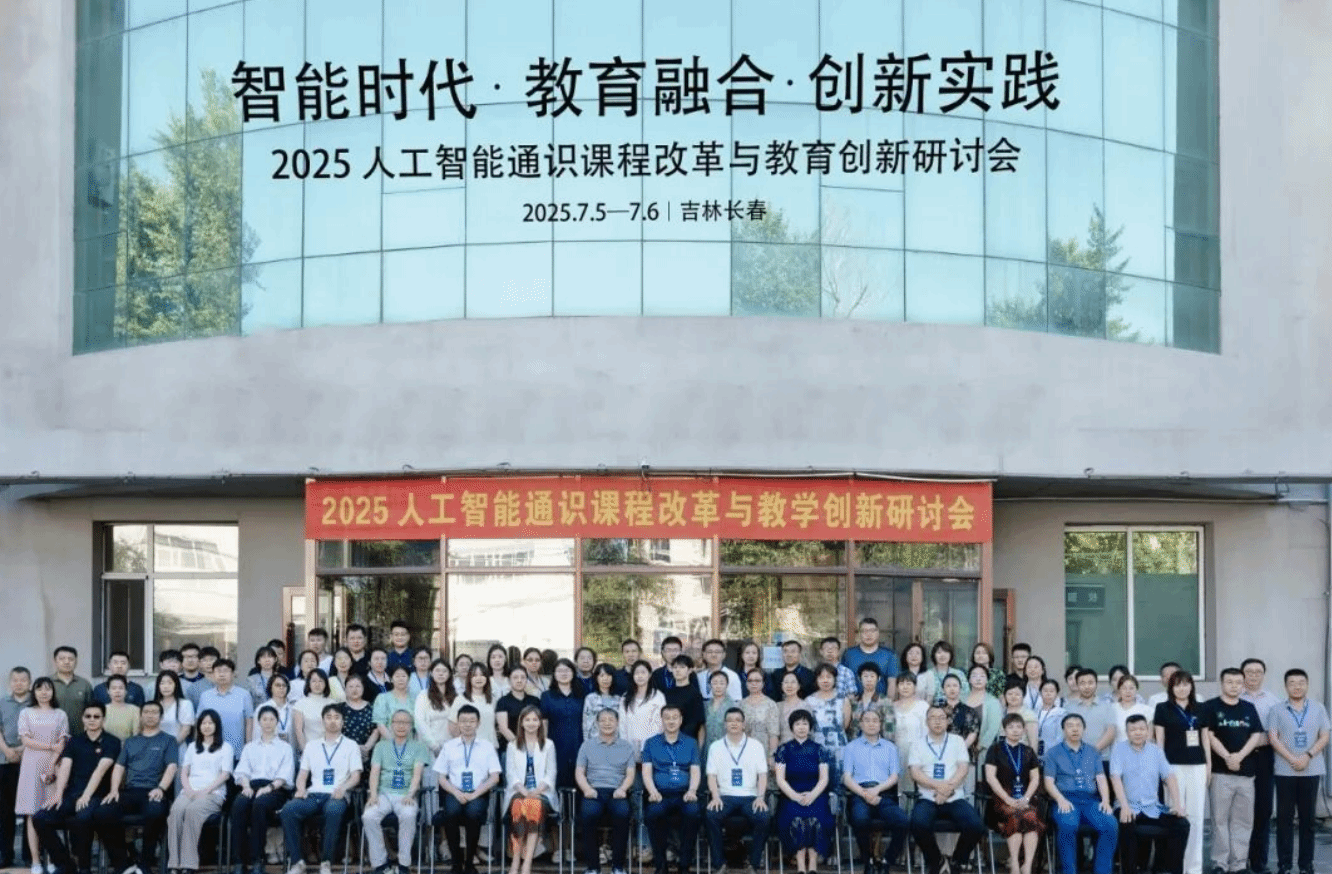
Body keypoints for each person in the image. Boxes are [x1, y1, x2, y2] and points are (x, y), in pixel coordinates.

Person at [92, 700, 180, 874]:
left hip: (154, 791)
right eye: (146, 712)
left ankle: (145, 864)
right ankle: (123, 863)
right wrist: (114, 790)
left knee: (155, 813)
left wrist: (161, 789)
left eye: (154, 712)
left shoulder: (169, 740)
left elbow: (172, 767)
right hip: (130, 791)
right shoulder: (131, 741)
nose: (150, 715)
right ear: (141, 716)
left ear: (161, 717)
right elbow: (119, 767)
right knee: (102, 813)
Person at [32, 701, 119, 874]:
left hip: (97, 796)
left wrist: (86, 795)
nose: (92, 719)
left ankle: (84, 868)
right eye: (88, 716)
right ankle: (65, 864)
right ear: (82, 719)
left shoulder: (112, 742)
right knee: (40, 818)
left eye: (96, 716)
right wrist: (58, 794)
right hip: (72, 794)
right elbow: (65, 767)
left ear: (103, 719)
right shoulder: (74, 741)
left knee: (82, 818)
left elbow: (100, 770)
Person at [280, 704, 362, 874]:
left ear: (343, 722)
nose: (333, 721)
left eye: (337, 718)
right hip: (313, 795)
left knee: (333, 810)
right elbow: (302, 774)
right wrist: (300, 789)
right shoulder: (312, 746)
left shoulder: (351, 745)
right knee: (288, 810)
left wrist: (344, 788)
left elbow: (356, 776)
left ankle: (326, 862)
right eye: (329, 717)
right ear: (322, 721)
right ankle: (297, 862)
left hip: (336, 795)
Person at [908, 704, 986, 874]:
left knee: (976, 825)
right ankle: (936, 861)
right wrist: (939, 787)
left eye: (941, 718)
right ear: (926, 722)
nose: (937, 721)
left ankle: (957, 861)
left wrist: (948, 789)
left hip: (954, 796)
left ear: (948, 721)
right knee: (918, 824)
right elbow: (915, 772)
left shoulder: (957, 741)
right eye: (933, 718)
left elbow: (963, 769)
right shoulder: (918, 744)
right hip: (928, 797)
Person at [1203, 667, 1265, 874]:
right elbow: (1209, 735)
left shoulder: (1248, 707)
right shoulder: (1210, 706)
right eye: (1229, 682)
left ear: (1243, 685)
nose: (1234, 686)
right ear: (1222, 683)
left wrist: (1239, 756)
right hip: (1221, 773)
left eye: (1238, 682)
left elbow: (1256, 735)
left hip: (1246, 773)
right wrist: (1227, 757)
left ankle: (1238, 864)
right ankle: (1220, 863)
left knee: (1243, 821)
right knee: (1219, 820)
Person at [1110, 714, 1188, 874]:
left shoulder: (1156, 751)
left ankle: (1166, 869)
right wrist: (1124, 806)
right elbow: (1115, 777)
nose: (1138, 732)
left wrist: (1177, 805)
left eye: (1141, 729)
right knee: (1126, 824)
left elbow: (1169, 777)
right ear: (1127, 732)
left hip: (1152, 807)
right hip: (1128, 806)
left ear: (1147, 730)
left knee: (1182, 824)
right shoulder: (1119, 749)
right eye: (1133, 729)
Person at [1267, 668, 1328, 874]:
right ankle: (1284, 865)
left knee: (1308, 820)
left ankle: (1306, 865)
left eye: (1301, 682)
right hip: (1285, 771)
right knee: (1284, 820)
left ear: (1307, 685)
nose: (1297, 686)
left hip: (1311, 770)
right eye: (1292, 683)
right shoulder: (1276, 710)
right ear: (1286, 686)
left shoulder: (1318, 708)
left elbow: (1325, 736)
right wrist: (1293, 759)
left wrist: (1307, 756)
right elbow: (1273, 738)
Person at [1042, 713, 1118, 874]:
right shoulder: (1053, 753)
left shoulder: (1093, 752)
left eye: (1078, 725)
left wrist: (1105, 800)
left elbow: (1101, 778)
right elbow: (1048, 782)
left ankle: (1103, 871)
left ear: (1084, 729)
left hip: (1091, 800)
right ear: (1063, 730)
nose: (1075, 729)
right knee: (1068, 825)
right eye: (1070, 726)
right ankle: (1069, 871)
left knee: (1110, 824)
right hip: (1066, 799)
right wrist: (1060, 799)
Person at [1153, 669, 1210, 874]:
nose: (1182, 688)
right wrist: (1162, 770)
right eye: (1177, 685)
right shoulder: (1162, 708)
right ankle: (1175, 866)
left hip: (1197, 766)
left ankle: (1193, 868)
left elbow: (1205, 739)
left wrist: (1209, 767)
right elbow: (1159, 742)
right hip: (1172, 767)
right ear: (1171, 688)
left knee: (1196, 816)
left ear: (1192, 686)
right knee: (1176, 815)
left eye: (1186, 684)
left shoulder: (1201, 708)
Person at [434, 704, 502, 874]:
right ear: (457, 723)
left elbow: (495, 777)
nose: (467, 724)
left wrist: (474, 794)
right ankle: (456, 862)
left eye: (472, 721)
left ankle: (470, 862)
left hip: (478, 792)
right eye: (463, 720)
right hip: (454, 792)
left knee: (473, 813)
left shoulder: (487, 746)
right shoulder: (449, 746)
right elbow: (441, 777)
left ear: (478, 723)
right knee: (451, 813)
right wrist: (456, 792)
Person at [165, 709, 235, 874]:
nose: (207, 726)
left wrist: (206, 790)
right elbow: (184, 771)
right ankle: (174, 863)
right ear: (199, 726)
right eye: (203, 723)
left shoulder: (225, 747)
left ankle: (188, 864)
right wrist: (188, 789)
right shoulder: (192, 747)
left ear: (217, 726)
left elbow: (225, 774)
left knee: (192, 811)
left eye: (211, 723)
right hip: (189, 791)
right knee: (176, 811)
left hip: (213, 793)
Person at [363, 710, 431, 874]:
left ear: (411, 726)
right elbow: (374, 772)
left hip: (406, 794)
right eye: (397, 722)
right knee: (368, 816)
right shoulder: (381, 746)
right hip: (383, 794)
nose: (401, 726)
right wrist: (373, 795)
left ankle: (403, 864)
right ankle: (380, 863)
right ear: (391, 725)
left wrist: (410, 794)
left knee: (408, 815)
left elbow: (417, 774)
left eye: (405, 722)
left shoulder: (419, 747)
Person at [704, 708, 770, 874]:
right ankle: (719, 864)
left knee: (763, 817)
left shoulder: (755, 746)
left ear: (744, 724)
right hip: (725, 796)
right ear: (725, 724)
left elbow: (762, 775)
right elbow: (711, 775)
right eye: (730, 720)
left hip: (750, 796)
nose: (734, 723)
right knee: (711, 815)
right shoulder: (716, 747)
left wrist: (760, 797)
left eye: (738, 720)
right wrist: (715, 796)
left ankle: (753, 864)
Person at [843, 708, 908, 874]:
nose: (871, 724)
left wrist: (876, 790)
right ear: (860, 724)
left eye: (875, 720)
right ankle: (868, 861)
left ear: (880, 724)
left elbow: (894, 776)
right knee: (859, 819)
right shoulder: (851, 747)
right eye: (867, 720)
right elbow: (847, 778)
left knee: (903, 821)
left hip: (883, 793)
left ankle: (887, 860)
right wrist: (865, 793)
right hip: (859, 793)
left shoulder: (890, 748)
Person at [230, 705, 295, 874]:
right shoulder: (250, 747)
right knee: (239, 805)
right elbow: (242, 771)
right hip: (251, 785)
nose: (268, 723)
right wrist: (246, 786)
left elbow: (285, 776)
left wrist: (268, 788)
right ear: (259, 722)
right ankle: (238, 862)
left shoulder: (285, 747)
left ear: (277, 722)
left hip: (275, 789)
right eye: (264, 719)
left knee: (260, 804)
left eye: (272, 719)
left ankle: (257, 860)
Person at [17, 676, 71, 868]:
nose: (44, 692)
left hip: (53, 765)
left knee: (50, 812)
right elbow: (26, 741)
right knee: (32, 813)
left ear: (53, 692)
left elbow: (62, 742)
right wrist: (50, 746)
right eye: (39, 689)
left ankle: (53, 859)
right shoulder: (26, 713)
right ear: (34, 692)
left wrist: (52, 763)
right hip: (31, 765)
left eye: (48, 689)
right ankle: (35, 861)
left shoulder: (60, 714)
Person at [641, 705, 701, 874]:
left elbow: (695, 770)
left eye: (675, 717)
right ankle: (661, 865)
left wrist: (692, 790)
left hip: (684, 794)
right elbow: (646, 771)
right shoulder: (651, 743)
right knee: (653, 814)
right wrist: (652, 791)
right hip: (660, 794)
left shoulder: (691, 742)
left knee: (693, 813)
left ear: (681, 720)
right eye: (667, 717)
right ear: (662, 720)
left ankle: (684, 865)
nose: (671, 721)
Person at [575, 708, 636, 874]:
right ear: (597, 723)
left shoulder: (626, 746)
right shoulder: (587, 745)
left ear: (617, 723)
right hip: (593, 791)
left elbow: (630, 774)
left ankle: (618, 866)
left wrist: (623, 789)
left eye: (611, 720)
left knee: (622, 814)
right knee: (588, 814)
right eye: (603, 720)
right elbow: (579, 772)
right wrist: (587, 789)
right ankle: (593, 867)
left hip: (617, 791)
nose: (607, 723)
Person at [774, 709, 834, 874]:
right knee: (797, 820)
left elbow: (824, 778)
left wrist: (812, 795)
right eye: (798, 724)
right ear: (791, 727)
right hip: (791, 795)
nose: (801, 727)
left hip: (816, 794)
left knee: (816, 819)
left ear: (810, 727)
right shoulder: (784, 749)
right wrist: (795, 796)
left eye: (805, 724)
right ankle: (801, 864)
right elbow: (780, 779)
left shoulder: (819, 749)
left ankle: (813, 864)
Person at [983, 714, 1045, 874]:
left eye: (1019, 727)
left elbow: (1035, 778)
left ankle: (1027, 865)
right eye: (1011, 727)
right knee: (1015, 816)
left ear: (1024, 730)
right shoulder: (995, 749)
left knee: (1030, 816)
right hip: (1001, 800)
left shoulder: (1028, 751)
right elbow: (990, 777)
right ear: (1004, 730)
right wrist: (1007, 799)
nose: (1015, 730)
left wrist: (1026, 798)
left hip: (1025, 799)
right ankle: (1015, 864)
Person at [504, 705, 558, 874]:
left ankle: (526, 863)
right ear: (521, 723)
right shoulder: (512, 745)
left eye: (535, 719)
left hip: (542, 793)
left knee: (532, 804)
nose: (531, 723)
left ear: (540, 723)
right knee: (519, 805)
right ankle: (515, 861)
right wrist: (524, 791)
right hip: (519, 792)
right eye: (527, 720)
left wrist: (536, 791)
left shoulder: (548, 745)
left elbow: (551, 773)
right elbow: (511, 773)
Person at [1240, 658, 1280, 874]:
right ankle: (1238, 860)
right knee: (1239, 810)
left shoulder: (1273, 701)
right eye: (1249, 671)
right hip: (1239, 758)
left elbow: (1278, 732)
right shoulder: (1234, 697)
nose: (1253, 675)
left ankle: (1258, 861)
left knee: (1263, 809)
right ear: (1242, 674)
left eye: (1258, 672)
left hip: (1264, 757)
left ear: (1263, 675)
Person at [0, 667, 34, 870]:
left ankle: (30, 855)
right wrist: (6, 750)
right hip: (4, 762)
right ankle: (5, 855)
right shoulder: (2, 702)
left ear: (29, 682)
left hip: (30, 761)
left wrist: (21, 750)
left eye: (23, 680)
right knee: (5, 812)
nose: (19, 683)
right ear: (10, 682)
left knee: (30, 810)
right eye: (15, 680)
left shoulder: (35, 703)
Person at [197, 659, 254, 761]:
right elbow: (199, 723)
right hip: (210, 752)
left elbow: (249, 723)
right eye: (218, 671)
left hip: (237, 752)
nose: (222, 674)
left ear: (233, 674)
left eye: (226, 671)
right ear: (213, 675)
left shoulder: (244, 695)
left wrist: (249, 747)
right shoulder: (205, 696)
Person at [804, 663, 851, 784]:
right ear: (816, 680)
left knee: (839, 784)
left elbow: (845, 725)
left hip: (839, 748)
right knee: (817, 783)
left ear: (835, 679)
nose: (825, 680)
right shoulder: (809, 701)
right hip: (816, 747)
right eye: (821, 677)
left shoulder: (843, 699)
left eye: (829, 677)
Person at [1065, 669, 1117, 774]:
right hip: (1075, 760)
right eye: (1082, 683)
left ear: (1096, 684)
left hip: (1101, 760)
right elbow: (1065, 732)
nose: (1087, 686)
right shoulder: (1069, 707)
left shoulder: (1107, 707)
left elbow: (1110, 732)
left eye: (1090, 683)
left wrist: (1090, 752)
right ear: (1077, 685)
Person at [618, 660, 664, 758]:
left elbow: (661, 723)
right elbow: (622, 724)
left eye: (643, 672)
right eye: (637, 673)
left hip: (652, 747)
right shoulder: (626, 697)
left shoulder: (657, 696)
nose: (640, 676)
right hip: (630, 747)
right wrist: (625, 746)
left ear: (650, 675)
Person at [842, 619, 901, 698]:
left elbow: (892, 682)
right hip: (853, 701)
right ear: (859, 634)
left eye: (872, 631)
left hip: (881, 701)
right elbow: (843, 680)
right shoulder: (849, 654)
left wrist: (887, 703)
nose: (869, 634)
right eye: (865, 631)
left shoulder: (889, 655)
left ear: (878, 633)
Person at [891, 672, 928, 793]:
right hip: (896, 753)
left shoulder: (923, 706)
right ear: (897, 687)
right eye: (901, 683)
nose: (905, 687)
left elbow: (927, 734)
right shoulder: (891, 707)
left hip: (917, 754)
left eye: (909, 683)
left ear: (915, 687)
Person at [414, 659, 457, 759]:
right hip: (431, 748)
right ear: (431, 673)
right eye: (437, 670)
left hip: (452, 746)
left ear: (449, 674)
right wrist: (435, 747)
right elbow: (420, 722)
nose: (441, 674)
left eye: (444, 671)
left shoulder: (455, 696)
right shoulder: (424, 695)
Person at [662, 656, 706, 748]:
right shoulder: (667, 693)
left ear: (690, 670)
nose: (677, 670)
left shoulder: (695, 694)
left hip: (688, 743)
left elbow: (700, 724)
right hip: (667, 741)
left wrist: (699, 748)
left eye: (682, 667)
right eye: (675, 667)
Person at [450, 665, 498, 747]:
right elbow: (452, 726)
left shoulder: (492, 699)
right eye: (475, 675)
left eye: (482, 675)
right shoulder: (461, 699)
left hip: (490, 746)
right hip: (469, 747)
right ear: (469, 678)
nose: (479, 678)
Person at [739, 668, 781, 763]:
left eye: (757, 680)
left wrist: (772, 756)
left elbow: (773, 734)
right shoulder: (740, 705)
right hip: (743, 753)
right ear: (746, 683)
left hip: (764, 753)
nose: (753, 683)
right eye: (750, 681)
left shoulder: (770, 705)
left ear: (763, 683)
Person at [498, 664, 541, 754]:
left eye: (523, 677)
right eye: (515, 677)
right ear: (509, 680)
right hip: (510, 749)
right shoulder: (503, 701)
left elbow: (540, 725)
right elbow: (503, 728)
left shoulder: (535, 701)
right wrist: (520, 746)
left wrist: (533, 746)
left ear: (526, 680)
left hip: (534, 748)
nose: (519, 680)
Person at [50, 647, 94, 733]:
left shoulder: (84, 684)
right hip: (52, 734)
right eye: (62, 659)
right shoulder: (47, 683)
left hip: (79, 734)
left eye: (71, 659)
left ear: (76, 662)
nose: (67, 662)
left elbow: (91, 710)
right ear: (55, 661)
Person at [338, 675, 380, 765]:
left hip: (367, 754)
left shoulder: (372, 708)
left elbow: (376, 730)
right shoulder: (339, 708)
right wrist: (353, 749)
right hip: (344, 753)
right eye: (351, 686)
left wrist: (366, 748)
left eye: (358, 686)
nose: (354, 689)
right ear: (345, 689)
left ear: (363, 688)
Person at [292, 669, 334, 752]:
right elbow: (299, 731)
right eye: (314, 681)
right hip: (309, 749)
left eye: (321, 681)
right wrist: (305, 751)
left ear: (326, 683)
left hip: (330, 749)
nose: (317, 684)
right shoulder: (300, 704)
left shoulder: (332, 704)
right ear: (309, 683)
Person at [849, 663, 894, 742]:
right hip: (856, 745)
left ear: (878, 678)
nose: (869, 680)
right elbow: (852, 729)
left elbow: (889, 728)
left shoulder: (885, 702)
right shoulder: (855, 702)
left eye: (872, 676)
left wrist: (886, 745)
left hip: (878, 744)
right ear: (860, 679)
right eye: (865, 676)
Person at [371, 665, 416, 741]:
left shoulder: (414, 699)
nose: (400, 679)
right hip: (388, 742)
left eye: (403, 676)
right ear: (391, 679)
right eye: (397, 676)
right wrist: (394, 742)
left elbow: (417, 725)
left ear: (408, 679)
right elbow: (380, 725)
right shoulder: (382, 698)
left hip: (410, 742)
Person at [965, 664, 1003, 750]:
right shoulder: (961, 698)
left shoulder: (993, 701)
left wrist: (980, 746)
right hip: (959, 748)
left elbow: (993, 728)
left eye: (982, 676)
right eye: (974, 676)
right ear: (969, 680)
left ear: (987, 680)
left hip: (983, 750)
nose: (978, 679)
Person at [154, 670, 197, 746]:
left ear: (176, 685)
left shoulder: (185, 704)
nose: (166, 686)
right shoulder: (154, 705)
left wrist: (171, 746)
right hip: (156, 747)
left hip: (177, 747)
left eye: (170, 683)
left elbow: (186, 730)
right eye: (162, 683)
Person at [918, 642, 967, 707]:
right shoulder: (926, 675)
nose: (942, 655)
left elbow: (966, 695)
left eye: (946, 652)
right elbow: (921, 699)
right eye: (939, 652)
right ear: (934, 655)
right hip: (932, 711)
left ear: (950, 655)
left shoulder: (959, 674)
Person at [939, 674, 979, 754]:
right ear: (943, 689)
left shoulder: (969, 711)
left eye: (955, 685)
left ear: (960, 688)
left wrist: (961, 748)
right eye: (948, 686)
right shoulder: (937, 710)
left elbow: (973, 733)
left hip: (962, 751)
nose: (952, 689)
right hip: (939, 751)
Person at [1111, 674, 1155, 743]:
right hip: (1117, 748)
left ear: (1136, 689)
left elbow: (1149, 738)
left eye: (1131, 688)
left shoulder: (1147, 710)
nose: (1128, 691)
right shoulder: (1111, 709)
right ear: (1119, 690)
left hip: (1141, 748)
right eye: (1124, 688)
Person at [581, 664, 620, 740]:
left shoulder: (618, 699)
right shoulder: (590, 699)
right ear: (596, 678)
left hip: (614, 741)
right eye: (602, 676)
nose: (605, 679)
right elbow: (586, 724)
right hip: (595, 741)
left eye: (608, 675)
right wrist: (587, 743)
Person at [260, 673, 296, 750]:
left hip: (290, 751)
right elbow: (257, 734)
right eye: (277, 685)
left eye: (284, 685)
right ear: (270, 687)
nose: (281, 688)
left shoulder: (293, 709)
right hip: (268, 751)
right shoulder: (262, 708)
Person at [1001, 680, 1039, 749]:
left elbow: (1033, 742)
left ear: (1023, 695)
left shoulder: (1029, 715)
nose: (1013, 697)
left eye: (1017, 694)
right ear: (1005, 695)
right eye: (1010, 694)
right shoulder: (1001, 713)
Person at [704, 671, 737, 750]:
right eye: (715, 683)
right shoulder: (706, 705)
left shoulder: (733, 706)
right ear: (710, 685)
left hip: (727, 748)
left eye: (721, 683)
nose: (718, 686)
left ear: (727, 685)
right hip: (708, 749)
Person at [102, 675, 141, 741]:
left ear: (126, 691)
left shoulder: (135, 710)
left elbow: (136, 736)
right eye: (114, 688)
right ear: (108, 691)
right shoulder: (102, 710)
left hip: (128, 746)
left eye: (121, 688)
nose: (117, 691)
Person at [1035, 679, 1067, 757]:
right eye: (1045, 691)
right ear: (1040, 693)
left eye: (1052, 691)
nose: (1048, 694)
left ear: (1057, 694)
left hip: (1053, 756)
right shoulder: (1034, 713)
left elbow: (1061, 738)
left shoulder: (1061, 714)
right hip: (1035, 755)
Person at [777, 672, 806, 744]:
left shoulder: (805, 706)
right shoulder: (777, 706)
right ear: (782, 685)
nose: (789, 685)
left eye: (793, 682)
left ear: (799, 686)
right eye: (786, 682)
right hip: (781, 747)